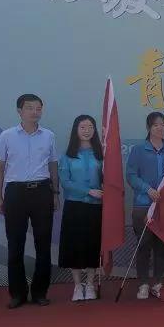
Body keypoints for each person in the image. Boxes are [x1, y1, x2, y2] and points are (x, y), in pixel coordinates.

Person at [0, 94, 60, 309]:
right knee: (15, 245)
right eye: (30, 108)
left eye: (38, 108)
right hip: (15, 193)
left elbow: (53, 166)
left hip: (42, 191)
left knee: (43, 244)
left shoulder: (48, 136)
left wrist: (55, 193)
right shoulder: (7, 136)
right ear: (19, 111)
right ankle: (17, 293)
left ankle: (40, 292)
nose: (35, 112)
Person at [126, 112, 164, 299]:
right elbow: (131, 175)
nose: (160, 128)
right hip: (143, 205)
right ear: (148, 128)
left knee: (162, 246)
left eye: (163, 125)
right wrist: (147, 189)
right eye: (155, 125)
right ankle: (143, 284)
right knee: (144, 245)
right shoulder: (139, 150)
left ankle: (158, 282)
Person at [58, 114, 104, 302]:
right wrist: (88, 191)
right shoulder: (67, 155)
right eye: (82, 127)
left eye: (90, 127)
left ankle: (90, 284)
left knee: (93, 245)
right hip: (74, 206)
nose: (87, 130)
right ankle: (77, 285)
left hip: (96, 207)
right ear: (76, 130)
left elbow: (108, 179)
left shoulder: (100, 154)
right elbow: (65, 182)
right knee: (74, 245)